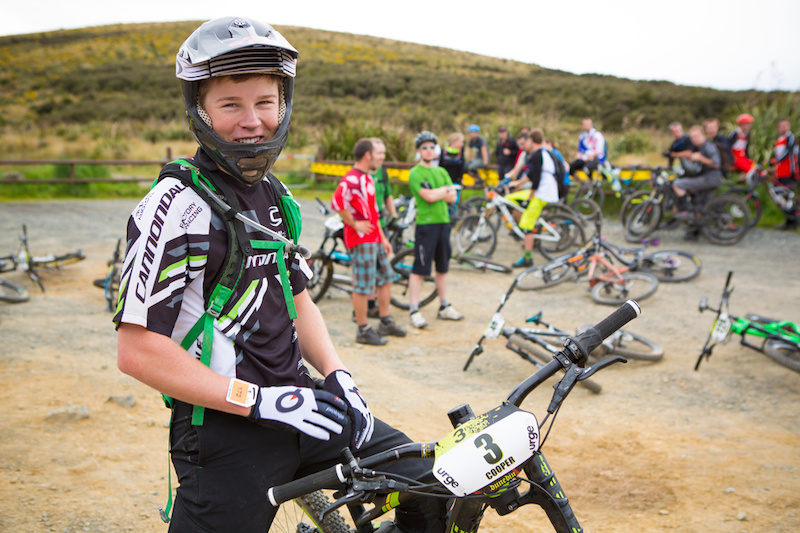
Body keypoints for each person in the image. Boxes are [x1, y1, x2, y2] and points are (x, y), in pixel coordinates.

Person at [114, 17, 442, 533]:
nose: (253, 121)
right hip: (226, 430)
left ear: (284, 103)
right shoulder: (175, 207)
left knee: (432, 483)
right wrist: (259, 400)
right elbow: (136, 350)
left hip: (303, 405)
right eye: (231, 105)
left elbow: (299, 300)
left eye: (265, 102)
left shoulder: (275, 195)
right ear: (199, 110)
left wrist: (338, 375)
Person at [332, 138, 407, 345]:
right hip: (361, 240)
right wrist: (355, 224)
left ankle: (385, 321)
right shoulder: (352, 179)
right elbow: (337, 202)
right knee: (363, 286)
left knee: (385, 278)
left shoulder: (367, 178)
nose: (380, 157)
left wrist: (383, 237)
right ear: (368, 155)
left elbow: (374, 212)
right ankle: (363, 330)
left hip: (374, 238)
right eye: (377, 153)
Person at [407, 131, 463, 329]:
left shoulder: (441, 172)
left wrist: (440, 192)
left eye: (432, 147)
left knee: (443, 267)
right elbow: (428, 196)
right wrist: (445, 191)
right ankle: (414, 308)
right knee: (420, 269)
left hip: (443, 222)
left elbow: (453, 197)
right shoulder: (415, 173)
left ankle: (444, 306)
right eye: (424, 148)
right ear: (418, 151)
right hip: (426, 224)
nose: (429, 151)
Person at [505, 128, 560, 268]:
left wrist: (529, 198)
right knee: (510, 198)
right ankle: (522, 226)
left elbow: (535, 179)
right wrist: (517, 183)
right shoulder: (543, 152)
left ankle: (527, 258)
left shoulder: (537, 155)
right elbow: (531, 175)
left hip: (542, 193)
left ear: (530, 140)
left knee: (527, 224)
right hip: (545, 190)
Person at [672, 125, 724, 239]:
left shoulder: (709, 147)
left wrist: (701, 158)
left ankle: (685, 212)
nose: (694, 139)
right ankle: (695, 231)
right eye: (692, 137)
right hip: (706, 177)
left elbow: (716, 164)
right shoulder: (700, 147)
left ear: (703, 135)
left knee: (678, 184)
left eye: (696, 136)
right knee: (699, 203)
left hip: (711, 178)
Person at [770, 118, 798, 230]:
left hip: (789, 172)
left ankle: (793, 222)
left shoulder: (790, 138)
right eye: (782, 126)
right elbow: (777, 154)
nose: (784, 128)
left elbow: (788, 152)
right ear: (778, 128)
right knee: (782, 198)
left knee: (788, 196)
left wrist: (775, 160)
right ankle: (789, 220)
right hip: (780, 172)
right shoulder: (779, 139)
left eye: (786, 125)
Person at [569, 118, 606, 183]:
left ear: (591, 124)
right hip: (585, 158)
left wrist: (589, 158)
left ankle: (593, 185)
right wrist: (577, 157)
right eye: (584, 124)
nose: (586, 125)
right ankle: (582, 184)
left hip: (596, 159)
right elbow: (580, 151)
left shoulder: (597, 135)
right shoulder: (582, 136)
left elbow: (599, 151)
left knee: (587, 168)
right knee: (571, 166)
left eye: (588, 124)